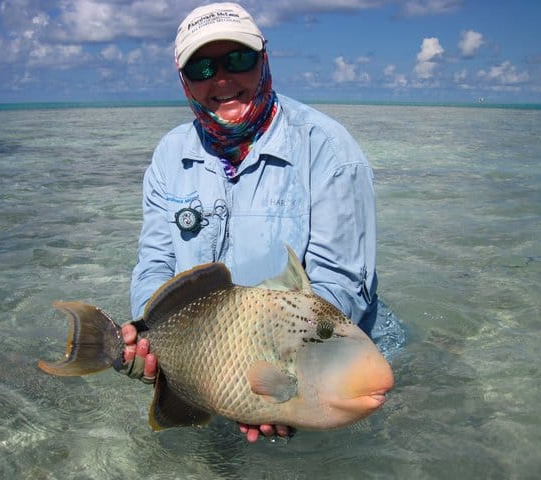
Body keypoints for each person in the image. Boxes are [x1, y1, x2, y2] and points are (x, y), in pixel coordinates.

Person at [120, 2, 378, 443]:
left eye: (238, 59)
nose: (222, 79)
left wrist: (280, 371)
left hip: (319, 377)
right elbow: (155, 264)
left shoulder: (329, 151)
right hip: (211, 372)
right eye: (202, 67)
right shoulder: (169, 155)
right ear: (185, 81)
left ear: (264, 59)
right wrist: (147, 339)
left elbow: (342, 286)